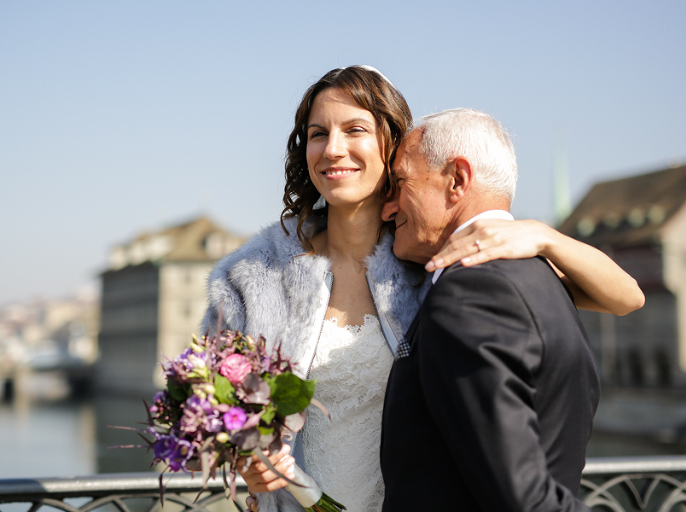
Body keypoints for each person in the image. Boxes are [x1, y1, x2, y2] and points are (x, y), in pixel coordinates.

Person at [203, 67, 643, 512]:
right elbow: (216, 416)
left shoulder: (436, 256)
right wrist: (248, 461)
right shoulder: (252, 277)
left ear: (393, 147)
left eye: (354, 130)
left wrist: (544, 237)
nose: (333, 148)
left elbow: (625, 297)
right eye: (318, 133)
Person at [379, 108, 600, 512]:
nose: (387, 209)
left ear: (457, 180)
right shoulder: (546, 277)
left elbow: (524, 499)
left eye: (400, 183)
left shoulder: (467, 294)